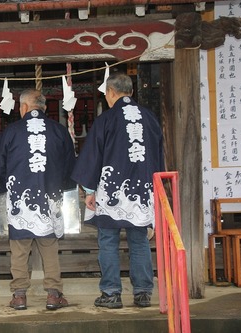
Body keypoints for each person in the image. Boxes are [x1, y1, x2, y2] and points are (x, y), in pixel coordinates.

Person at [72, 72, 164, 309]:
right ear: (131, 92)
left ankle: (111, 293)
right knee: (140, 240)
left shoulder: (107, 119)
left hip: (111, 191)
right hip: (143, 190)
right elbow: (158, 155)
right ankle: (143, 292)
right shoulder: (150, 118)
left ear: (111, 93)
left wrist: (90, 190)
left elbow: (93, 155)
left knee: (108, 241)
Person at [0, 88, 76, 310]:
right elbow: (70, 166)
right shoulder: (59, 131)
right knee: (49, 246)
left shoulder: (11, 131)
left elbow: (1, 167)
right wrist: (66, 189)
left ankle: (19, 296)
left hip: (20, 201)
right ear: (43, 107)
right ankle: (53, 295)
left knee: (19, 248)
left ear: (23, 107)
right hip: (50, 199)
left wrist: (2, 190)